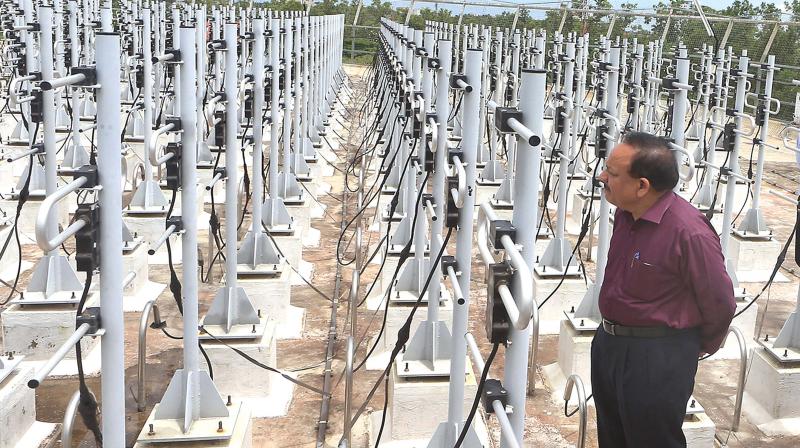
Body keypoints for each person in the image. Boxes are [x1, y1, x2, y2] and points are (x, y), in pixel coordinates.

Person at [591, 132, 736, 447]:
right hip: (609, 345)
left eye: (612, 174)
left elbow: (720, 301)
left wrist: (688, 346)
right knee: (613, 436)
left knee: (652, 439)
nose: (601, 177)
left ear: (642, 186)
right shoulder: (625, 215)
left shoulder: (688, 232)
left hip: (656, 357)